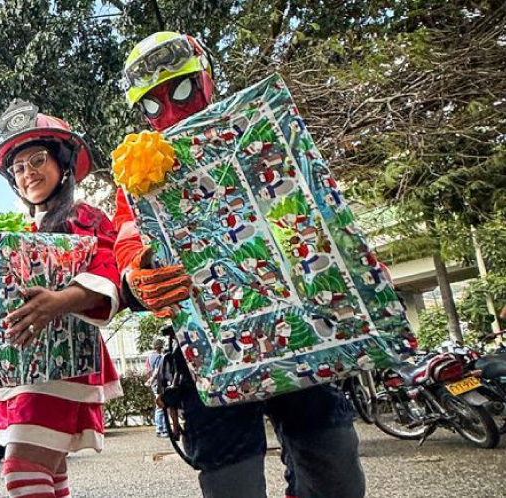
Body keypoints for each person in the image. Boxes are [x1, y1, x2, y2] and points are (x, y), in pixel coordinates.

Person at [113, 31, 365, 498]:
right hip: (209, 346)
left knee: (335, 469)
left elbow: (309, 202)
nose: (170, 110)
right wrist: (136, 276)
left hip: (300, 326)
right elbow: (127, 240)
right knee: (231, 482)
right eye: (152, 104)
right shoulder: (140, 172)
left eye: (181, 91)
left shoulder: (258, 130)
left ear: (206, 82)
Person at [0, 100, 123, 498]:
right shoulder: (27, 232)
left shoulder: (83, 216)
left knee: (21, 469)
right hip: (25, 365)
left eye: (37, 160)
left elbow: (110, 268)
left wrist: (59, 301)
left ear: (63, 164)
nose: (28, 173)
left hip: (63, 362)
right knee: (49, 470)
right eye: (18, 168)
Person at [146, 338, 168, 437]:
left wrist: (150, 380)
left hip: (154, 383)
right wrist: (152, 379)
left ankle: (162, 428)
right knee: (161, 405)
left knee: (160, 405)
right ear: (160, 347)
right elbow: (157, 370)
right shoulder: (159, 356)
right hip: (158, 383)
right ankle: (161, 429)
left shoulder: (150, 356)